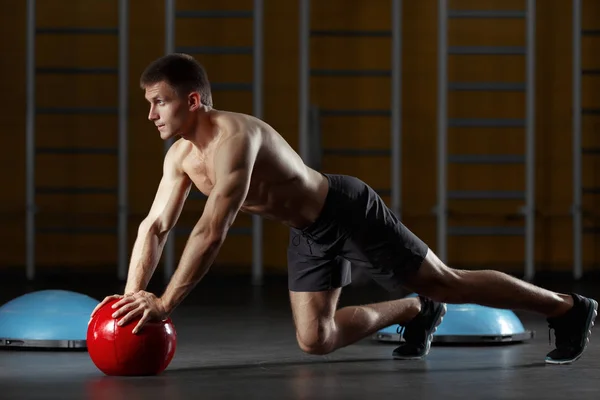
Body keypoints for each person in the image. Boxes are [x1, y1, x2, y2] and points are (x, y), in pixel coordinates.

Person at [90, 53, 597, 365]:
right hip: (306, 232)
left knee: (446, 278)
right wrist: (133, 301)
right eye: (149, 103)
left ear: (193, 100)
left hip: (344, 209)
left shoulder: (235, 140)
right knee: (316, 339)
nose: (151, 113)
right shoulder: (180, 156)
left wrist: (167, 302)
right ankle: (417, 309)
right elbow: (155, 226)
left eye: (159, 101)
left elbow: (211, 230)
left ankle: (568, 308)